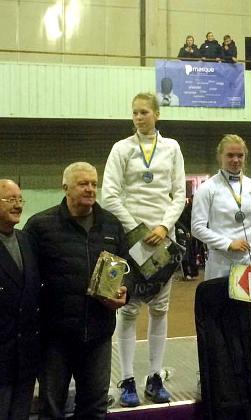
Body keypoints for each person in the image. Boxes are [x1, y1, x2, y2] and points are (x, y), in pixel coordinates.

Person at [24, 162, 130, 419]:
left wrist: (126, 292)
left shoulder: (111, 224)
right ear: (65, 187)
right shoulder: (40, 226)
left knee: (95, 407)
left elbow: (129, 268)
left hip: (98, 334)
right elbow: (26, 278)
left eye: (94, 184)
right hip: (54, 337)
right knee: (51, 407)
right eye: (83, 184)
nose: (90, 189)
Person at [101, 92, 186, 406]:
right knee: (128, 310)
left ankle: (154, 377)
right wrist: (137, 231)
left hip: (163, 242)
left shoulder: (172, 147)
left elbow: (179, 194)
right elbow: (110, 196)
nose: (138, 117)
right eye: (134, 112)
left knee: (160, 309)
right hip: (131, 241)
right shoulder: (121, 148)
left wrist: (163, 226)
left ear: (157, 114)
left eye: (144, 112)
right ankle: (126, 380)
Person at [191, 134, 251, 391]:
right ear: (220, 156)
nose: (235, 160)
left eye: (240, 155)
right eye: (230, 155)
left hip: (249, 265)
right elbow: (197, 228)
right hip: (219, 263)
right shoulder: (208, 189)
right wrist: (228, 243)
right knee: (215, 318)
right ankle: (209, 373)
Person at [0, 180, 40, 420]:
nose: (18, 205)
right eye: (10, 200)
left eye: (19, 199)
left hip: (25, 359)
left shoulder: (26, 241)